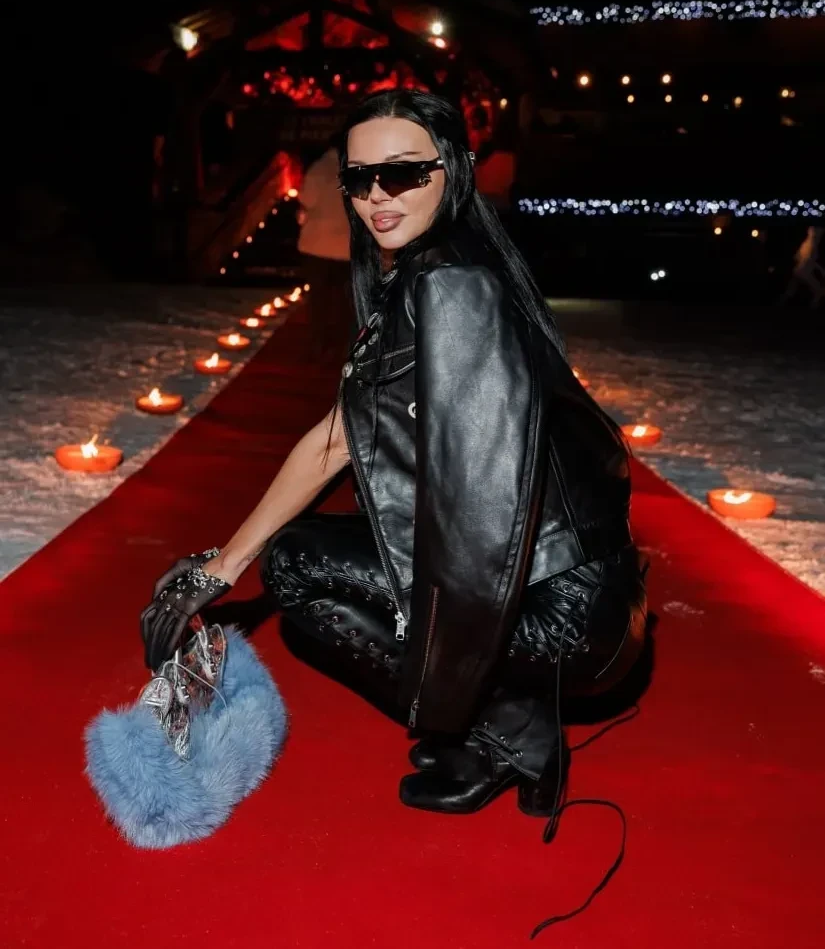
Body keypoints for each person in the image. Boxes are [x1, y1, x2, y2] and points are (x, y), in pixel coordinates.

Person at [140, 89, 647, 873]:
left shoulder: (453, 285)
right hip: (570, 589)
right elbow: (337, 439)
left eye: (404, 173)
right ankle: (500, 718)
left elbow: (482, 522)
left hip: (559, 610)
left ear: (455, 171)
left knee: (297, 567)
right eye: (359, 177)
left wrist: (447, 697)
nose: (377, 195)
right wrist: (219, 566)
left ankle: (508, 727)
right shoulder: (432, 272)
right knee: (294, 553)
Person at [295, 142, 352, 363]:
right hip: (347, 249)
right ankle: (344, 348)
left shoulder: (319, 169)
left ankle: (318, 344)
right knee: (345, 303)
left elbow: (306, 201)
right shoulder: (359, 170)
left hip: (317, 246)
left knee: (319, 299)